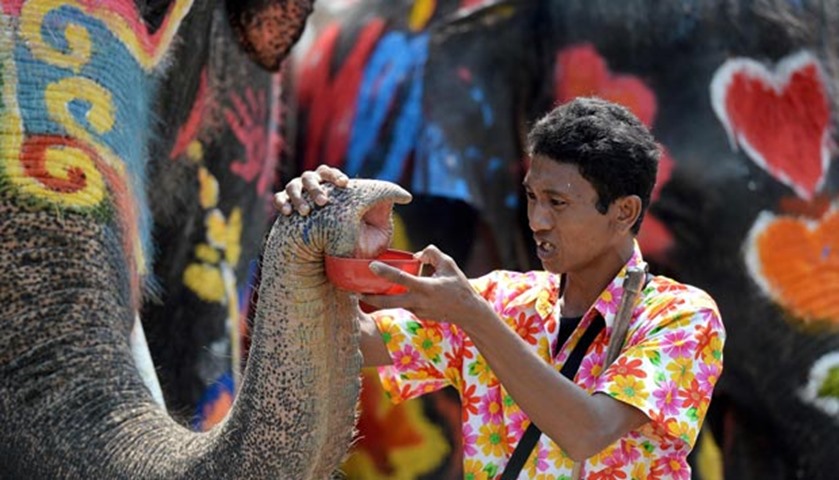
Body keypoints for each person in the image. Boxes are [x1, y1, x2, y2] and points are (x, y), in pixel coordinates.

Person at [275, 97, 725, 479]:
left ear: (624, 212)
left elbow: (587, 432)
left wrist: (473, 316)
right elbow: (351, 339)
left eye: (558, 203)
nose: (537, 220)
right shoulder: (504, 300)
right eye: (532, 197)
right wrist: (318, 231)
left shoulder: (682, 315)